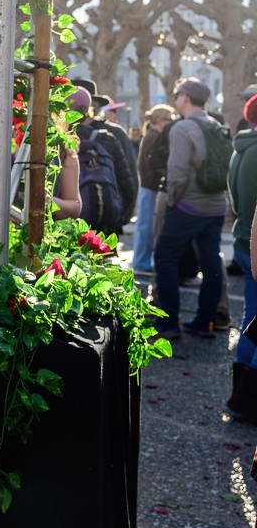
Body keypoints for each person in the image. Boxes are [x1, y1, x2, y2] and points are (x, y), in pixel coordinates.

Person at [152, 78, 229, 340]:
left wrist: (173, 201)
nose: (175, 99)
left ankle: (169, 322)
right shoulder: (216, 125)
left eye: (176, 94)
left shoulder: (183, 128)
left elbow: (177, 172)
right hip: (217, 204)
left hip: (189, 205)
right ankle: (205, 322)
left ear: (185, 97)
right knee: (211, 262)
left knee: (165, 257)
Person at [69, 86, 133, 237]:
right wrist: (118, 219)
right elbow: (128, 185)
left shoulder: (56, 141)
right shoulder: (110, 137)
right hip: (105, 226)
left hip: (67, 227)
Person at [228, 95, 257, 421]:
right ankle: (247, 396)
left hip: (244, 237)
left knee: (252, 315)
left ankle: (242, 394)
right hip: (251, 240)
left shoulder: (244, 145)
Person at [133, 103, 176, 273]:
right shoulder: (154, 136)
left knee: (146, 225)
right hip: (150, 187)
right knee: (146, 226)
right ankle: (141, 262)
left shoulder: (150, 134)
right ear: (160, 121)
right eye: (169, 119)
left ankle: (141, 261)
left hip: (147, 187)